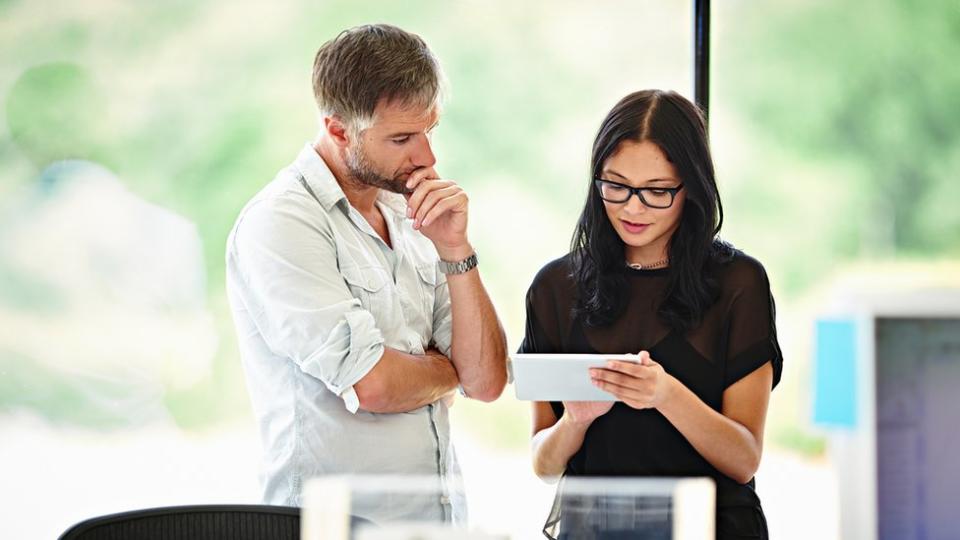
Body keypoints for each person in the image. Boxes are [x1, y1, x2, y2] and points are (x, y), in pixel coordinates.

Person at [225, 24, 508, 523]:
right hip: (332, 528)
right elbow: (374, 385)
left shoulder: (414, 211)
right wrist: (450, 369)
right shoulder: (282, 223)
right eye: (401, 138)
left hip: (436, 526)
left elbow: (485, 381)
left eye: (428, 131)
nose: (427, 157)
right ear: (338, 130)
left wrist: (456, 249)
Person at [524, 89, 782, 539]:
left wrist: (665, 394)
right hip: (594, 529)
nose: (633, 207)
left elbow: (743, 460)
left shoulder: (738, 283)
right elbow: (544, 464)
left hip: (710, 527)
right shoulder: (555, 287)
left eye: (658, 192)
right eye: (616, 185)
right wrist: (576, 421)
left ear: (692, 188)